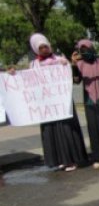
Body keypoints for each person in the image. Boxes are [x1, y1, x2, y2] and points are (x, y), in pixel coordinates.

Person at [17, 34, 89, 171]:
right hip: (47, 107)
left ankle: (72, 159)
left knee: (67, 129)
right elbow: (26, 82)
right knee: (52, 132)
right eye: (41, 47)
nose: (44, 49)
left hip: (63, 104)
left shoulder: (60, 60)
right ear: (36, 49)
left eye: (46, 46)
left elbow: (72, 78)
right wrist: (13, 74)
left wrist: (66, 66)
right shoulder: (33, 65)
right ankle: (60, 160)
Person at [71, 39, 99, 169]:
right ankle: (97, 157)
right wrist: (74, 65)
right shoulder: (80, 64)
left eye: (87, 49)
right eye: (82, 50)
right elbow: (76, 81)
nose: (85, 52)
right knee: (93, 128)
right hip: (89, 100)